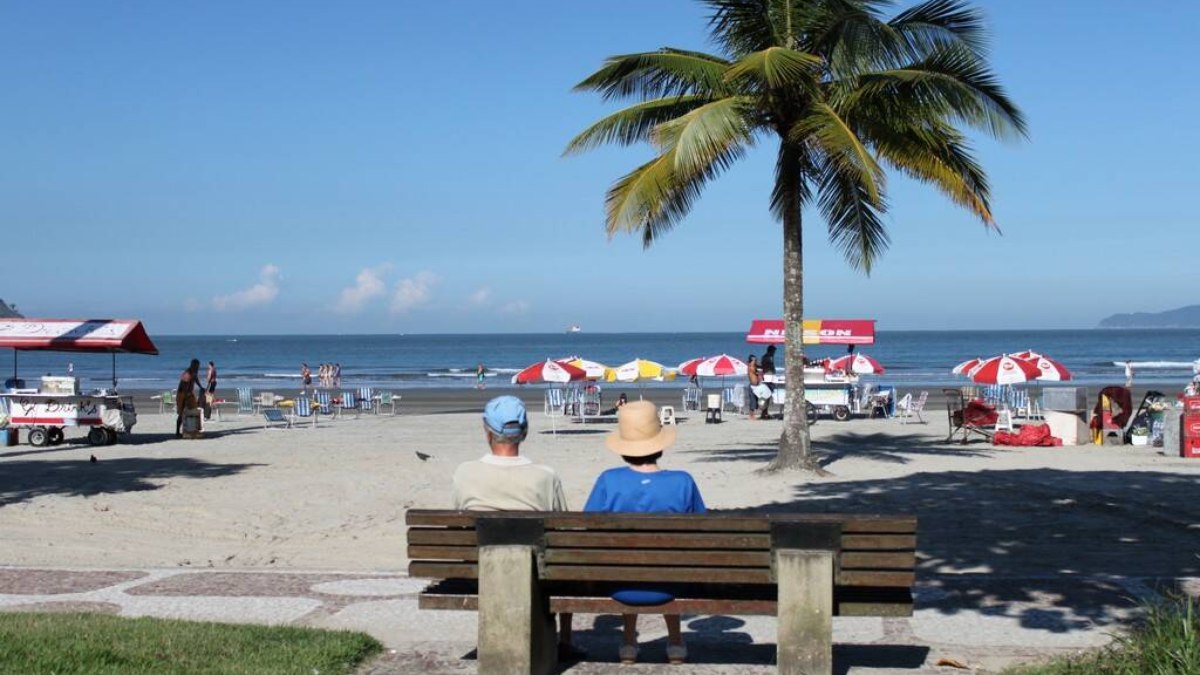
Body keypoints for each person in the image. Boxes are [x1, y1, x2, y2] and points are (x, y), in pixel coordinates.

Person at [450, 396, 580, 659]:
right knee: (566, 563)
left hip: (479, 572)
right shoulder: (545, 476)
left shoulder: (464, 473)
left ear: (487, 431)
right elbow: (562, 533)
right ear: (525, 432)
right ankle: (564, 639)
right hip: (538, 576)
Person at [584, 400, 705, 665]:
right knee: (671, 555)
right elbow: (702, 530)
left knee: (627, 556)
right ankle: (675, 642)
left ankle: (628, 642)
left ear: (624, 447)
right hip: (671, 584)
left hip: (621, 584)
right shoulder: (682, 481)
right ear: (660, 444)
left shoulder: (609, 480)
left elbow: (587, 527)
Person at [176, 359, 203, 438]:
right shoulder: (188, 372)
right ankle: (177, 431)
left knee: (193, 411)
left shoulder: (194, 372)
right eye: (197, 366)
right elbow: (183, 385)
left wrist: (201, 387)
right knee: (181, 413)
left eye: (198, 366)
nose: (198, 367)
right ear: (193, 365)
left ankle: (191, 429)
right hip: (182, 395)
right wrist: (187, 393)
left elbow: (196, 380)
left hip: (189, 394)